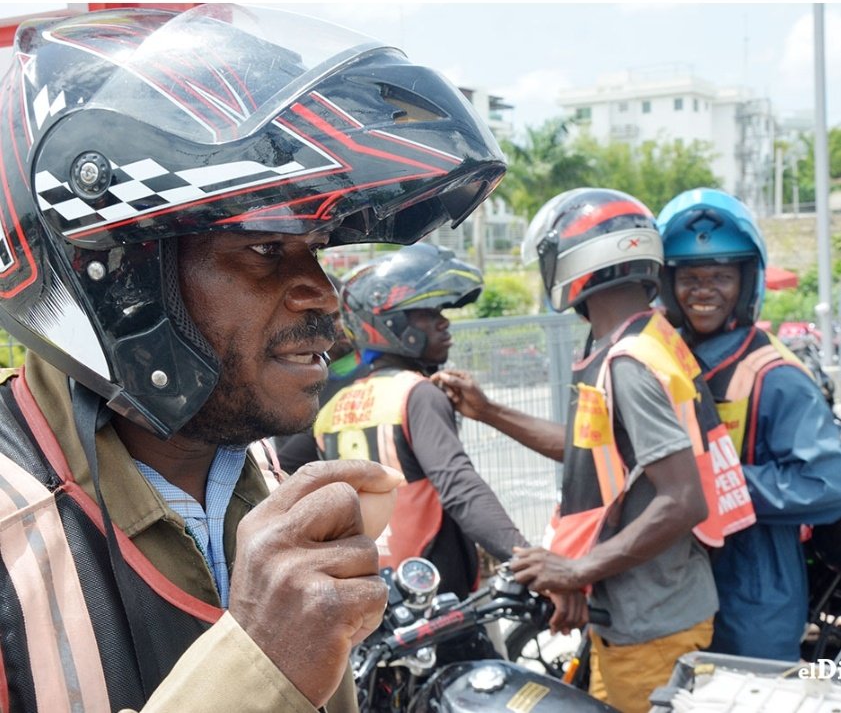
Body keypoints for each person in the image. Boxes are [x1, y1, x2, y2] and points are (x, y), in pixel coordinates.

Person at [0, 4, 505, 712]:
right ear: (118, 276)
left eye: (316, 252)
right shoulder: (12, 527)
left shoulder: (261, 471)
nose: (325, 297)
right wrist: (257, 664)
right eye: (265, 246)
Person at [434, 188, 753, 713]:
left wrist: (576, 572)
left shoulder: (629, 362)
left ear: (580, 261)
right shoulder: (643, 339)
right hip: (640, 613)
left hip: (653, 623)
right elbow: (596, 452)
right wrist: (490, 411)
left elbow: (682, 499)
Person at [657, 187, 841, 661]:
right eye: (689, 276)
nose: (703, 290)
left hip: (755, 586)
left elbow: (827, 483)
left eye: (720, 276)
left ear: (747, 282)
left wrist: (710, 488)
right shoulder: (671, 364)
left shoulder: (775, 377)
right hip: (679, 582)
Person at [313, 242, 530, 605]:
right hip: (434, 593)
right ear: (391, 324)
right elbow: (460, 488)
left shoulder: (333, 409)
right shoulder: (417, 394)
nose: (443, 320)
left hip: (371, 590)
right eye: (427, 312)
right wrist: (526, 559)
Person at [273, 272, 371, 471]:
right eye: (333, 317)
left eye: (347, 314)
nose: (343, 325)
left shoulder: (369, 373)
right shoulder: (289, 374)